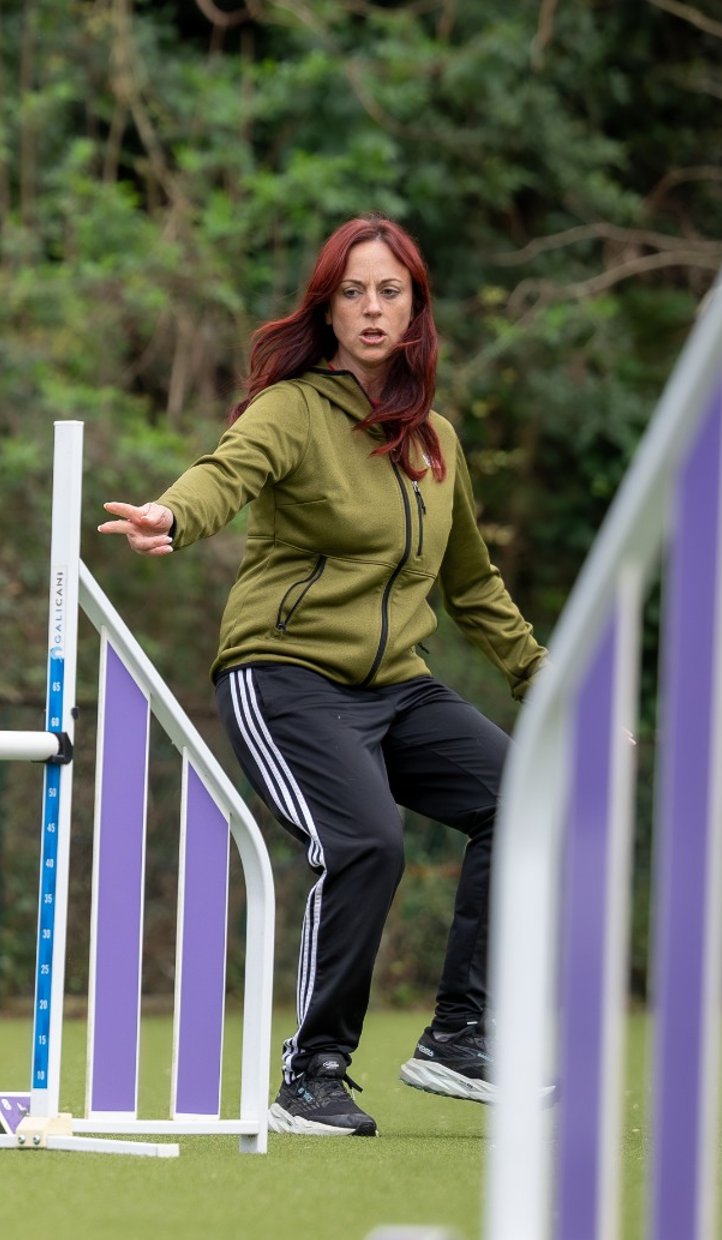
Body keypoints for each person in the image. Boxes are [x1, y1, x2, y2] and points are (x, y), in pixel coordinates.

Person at [98, 213, 545, 1137]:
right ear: (329, 308)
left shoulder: (439, 442)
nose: (372, 308)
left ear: (416, 306)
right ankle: (312, 1075)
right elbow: (224, 474)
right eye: (353, 292)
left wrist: (545, 683)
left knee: (524, 796)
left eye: (390, 291)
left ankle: (460, 1035)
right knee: (368, 843)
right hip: (285, 674)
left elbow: (471, 584)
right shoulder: (292, 409)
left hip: (397, 685)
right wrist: (171, 518)